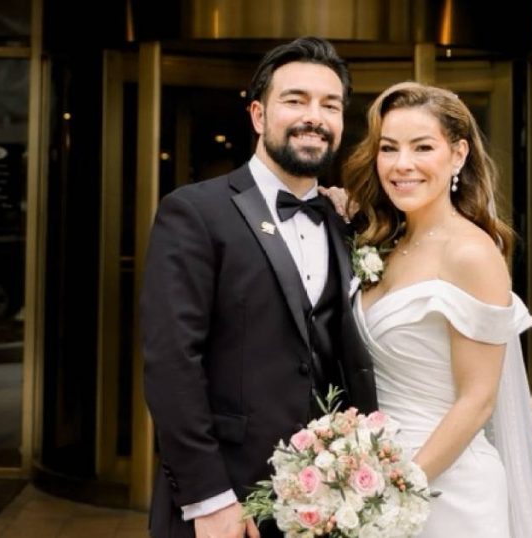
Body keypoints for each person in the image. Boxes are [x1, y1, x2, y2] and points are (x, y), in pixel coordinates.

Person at [140, 37, 378, 538]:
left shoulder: (345, 222)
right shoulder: (195, 212)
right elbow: (171, 363)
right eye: (295, 100)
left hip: (327, 501)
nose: (314, 117)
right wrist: (208, 497)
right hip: (227, 498)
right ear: (258, 114)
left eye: (330, 105)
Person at [343, 82, 532, 537]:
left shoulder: (471, 253)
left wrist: (398, 491)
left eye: (422, 147)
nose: (402, 164)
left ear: (458, 154)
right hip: (376, 474)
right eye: (389, 148)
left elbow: (477, 400)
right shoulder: (386, 241)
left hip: (447, 488)